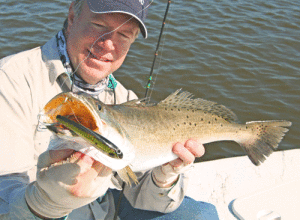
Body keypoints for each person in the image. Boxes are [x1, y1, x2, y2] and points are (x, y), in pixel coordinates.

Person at [0, 0, 219, 219]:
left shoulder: (124, 98)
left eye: (124, 35)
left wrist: (164, 176)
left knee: (201, 214)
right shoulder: (10, 81)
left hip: (103, 210)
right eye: (98, 24)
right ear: (72, 16)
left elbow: (144, 198)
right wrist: (45, 204)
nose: (108, 44)